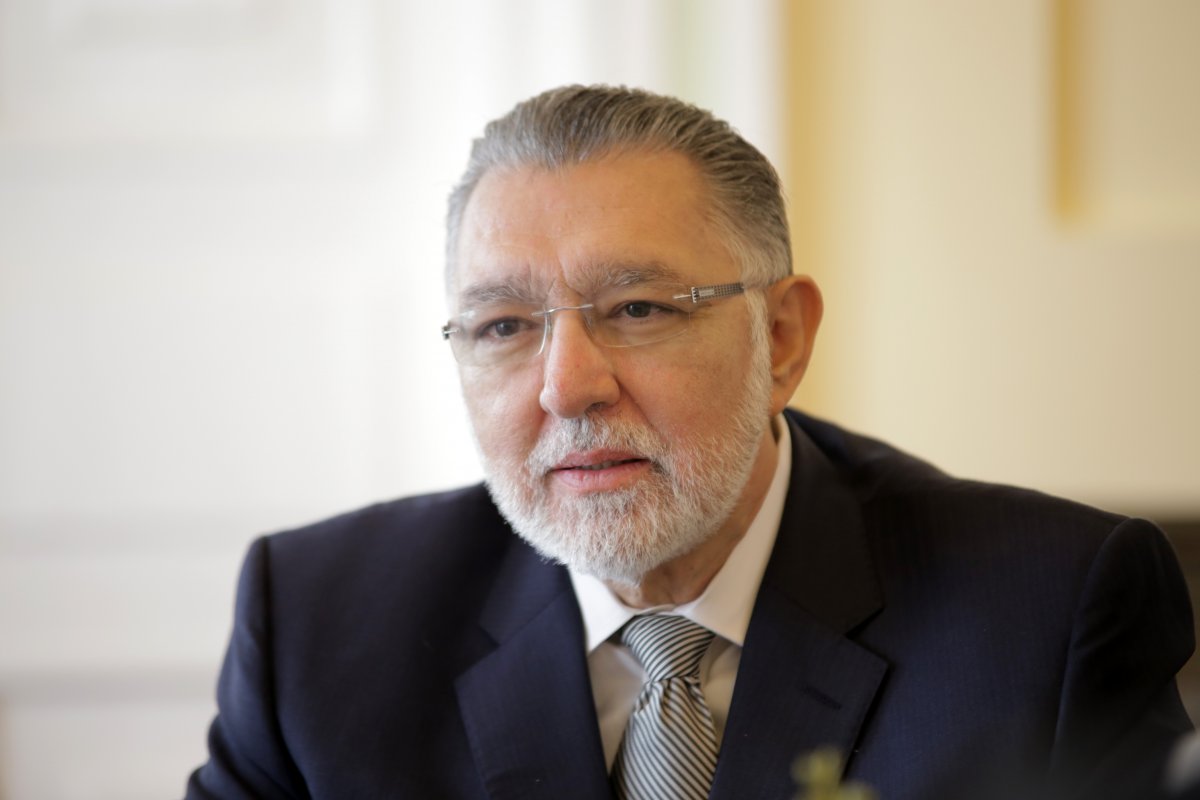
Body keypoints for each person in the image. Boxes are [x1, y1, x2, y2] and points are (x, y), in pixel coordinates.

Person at [185, 85, 1194, 800]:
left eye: (638, 308)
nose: (567, 386)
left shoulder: (1046, 617)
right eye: (503, 326)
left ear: (782, 339)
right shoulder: (316, 626)